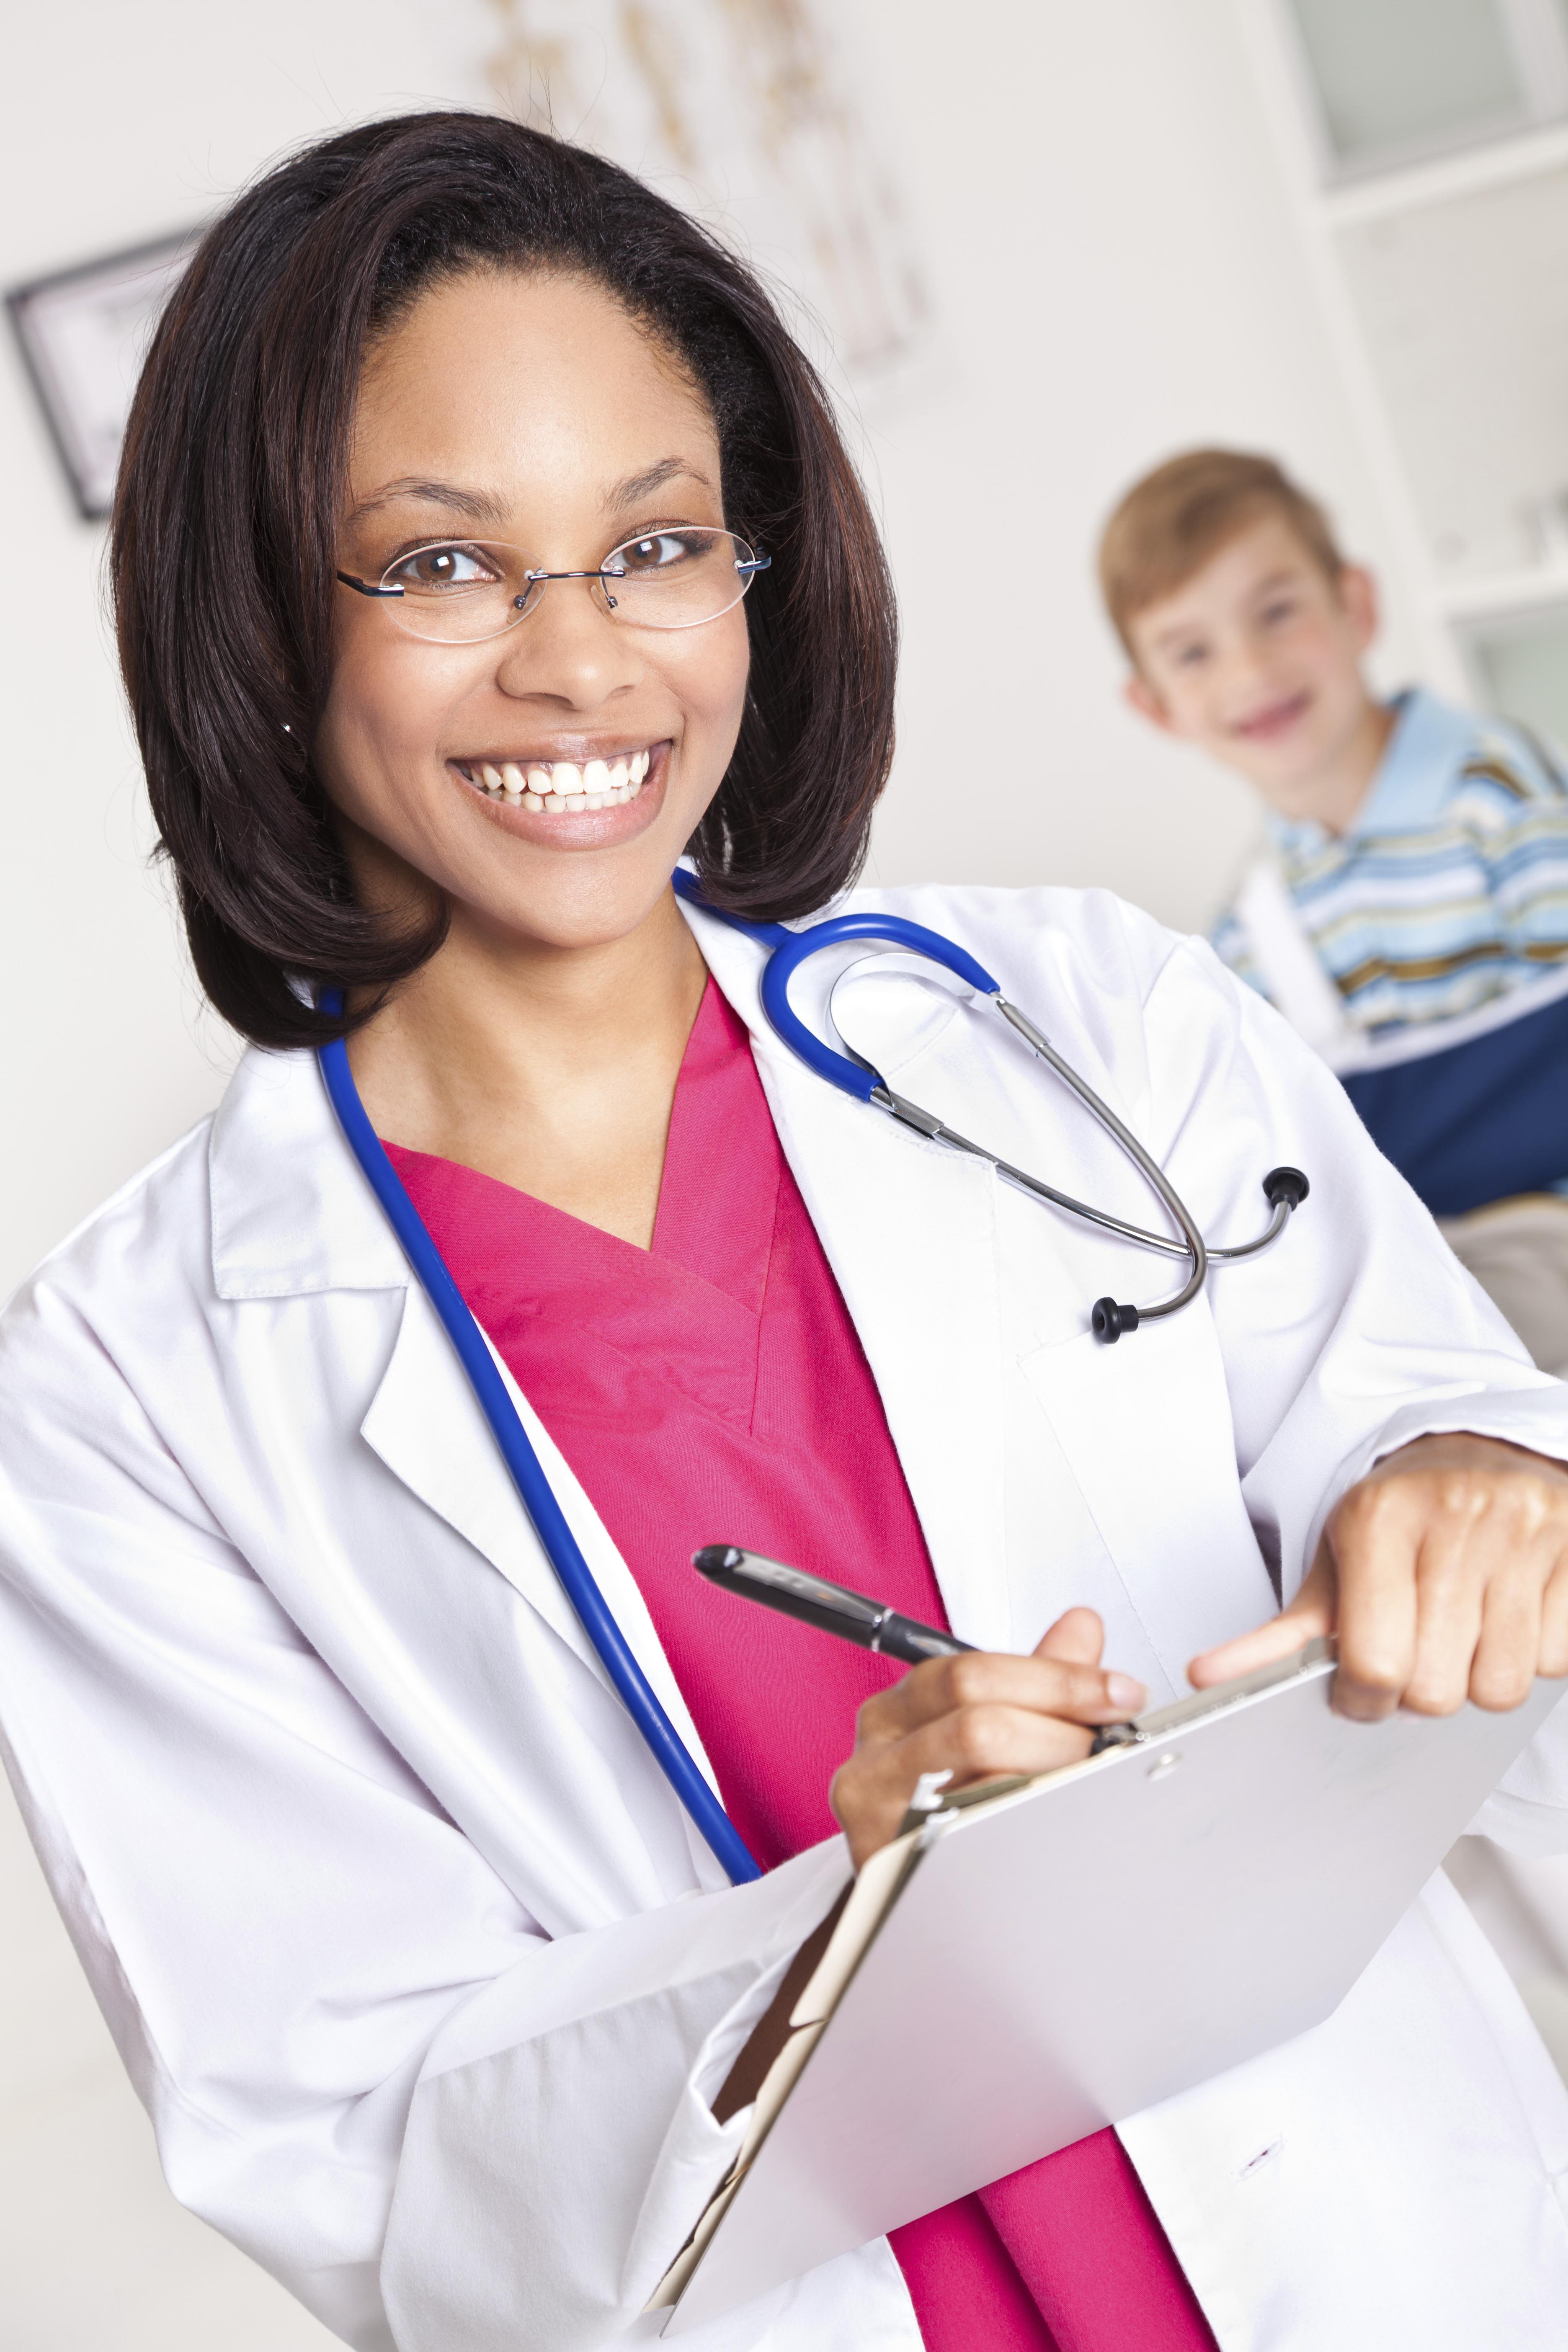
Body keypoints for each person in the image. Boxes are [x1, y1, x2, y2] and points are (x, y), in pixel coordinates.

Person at [1, 114, 1567, 2352]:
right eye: (442, 565)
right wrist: (854, 1931)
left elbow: (1446, 1483)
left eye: (655, 543)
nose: (580, 662)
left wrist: (1483, 1488)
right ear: (255, 615)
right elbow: (353, 2159)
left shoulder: (1086, 1021)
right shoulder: (127, 1392)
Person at [1099, 446, 1568, 1369]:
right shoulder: (1250, 930)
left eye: (1277, 612)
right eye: (1194, 653)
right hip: (1410, 1262)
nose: (1250, 670)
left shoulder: (1495, 795)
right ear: (1157, 707)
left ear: (1356, 607)